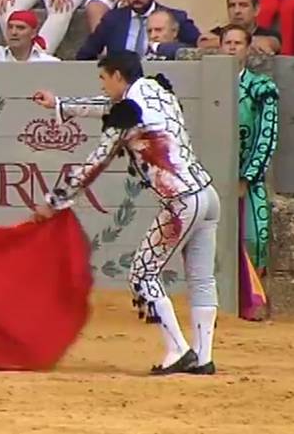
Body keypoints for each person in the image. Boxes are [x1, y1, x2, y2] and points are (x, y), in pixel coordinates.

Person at [29, 51, 220, 376]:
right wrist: (60, 105)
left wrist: (55, 200)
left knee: (143, 274)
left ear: (118, 76)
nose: (102, 86)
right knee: (202, 278)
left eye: (103, 79)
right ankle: (202, 357)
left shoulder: (127, 116)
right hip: (206, 194)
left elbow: (95, 163)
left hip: (181, 202)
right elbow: (112, 108)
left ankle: (178, 350)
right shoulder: (156, 90)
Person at [220, 24, 280, 311]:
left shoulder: (261, 88)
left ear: (247, 48)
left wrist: (248, 176)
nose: (232, 47)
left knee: (254, 237)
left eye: (237, 43)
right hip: (212, 178)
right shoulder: (210, 86)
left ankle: (252, 305)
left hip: (249, 177)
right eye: (227, 43)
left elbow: (267, 136)